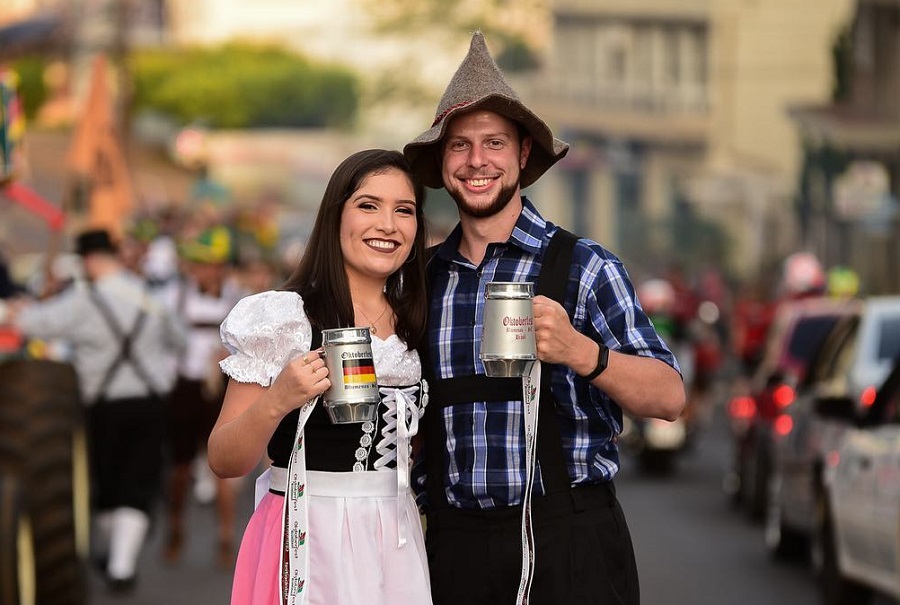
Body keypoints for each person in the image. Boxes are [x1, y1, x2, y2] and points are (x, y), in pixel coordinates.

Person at [403, 32, 686, 605]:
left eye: (493, 143)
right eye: (459, 146)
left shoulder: (585, 267)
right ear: (442, 161)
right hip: (453, 550)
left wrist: (583, 352)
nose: (476, 161)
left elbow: (669, 398)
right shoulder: (419, 281)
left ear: (523, 154)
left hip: (571, 540)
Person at [208, 149, 432, 605]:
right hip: (308, 533)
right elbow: (224, 460)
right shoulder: (285, 318)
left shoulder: (416, 324)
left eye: (403, 210)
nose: (388, 224)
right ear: (335, 217)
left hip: (396, 539)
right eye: (368, 205)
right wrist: (279, 400)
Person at [8, 228, 185, 593]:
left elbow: (32, 324)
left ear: (88, 261)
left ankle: (113, 558)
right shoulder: (148, 297)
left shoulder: (82, 300)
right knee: (140, 481)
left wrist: (21, 309)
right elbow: (179, 341)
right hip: (150, 402)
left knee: (108, 481)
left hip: (102, 405)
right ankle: (123, 564)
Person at [157, 224, 248, 568]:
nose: (200, 269)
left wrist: (231, 357)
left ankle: (226, 538)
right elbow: (160, 340)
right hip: (184, 387)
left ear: (222, 266)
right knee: (179, 468)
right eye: (196, 262)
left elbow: (252, 349)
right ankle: (175, 527)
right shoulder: (173, 295)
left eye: (207, 263)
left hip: (221, 390)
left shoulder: (238, 299)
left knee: (224, 470)